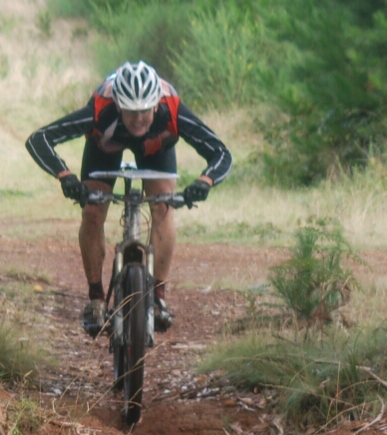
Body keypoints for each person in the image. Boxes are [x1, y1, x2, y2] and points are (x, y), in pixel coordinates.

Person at [25, 60, 232, 336]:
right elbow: (38, 139)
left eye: (145, 110)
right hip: (105, 145)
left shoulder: (172, 108)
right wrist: (66, 177)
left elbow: (221, 153)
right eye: (131, 111)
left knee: (163, 206)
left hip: (156, 148)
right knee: (92, 210)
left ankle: (158, 298)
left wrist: (204, 182)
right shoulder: (100, 109)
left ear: (156, 105)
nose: (138, 118)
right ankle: (96, 299)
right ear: (118, 105)